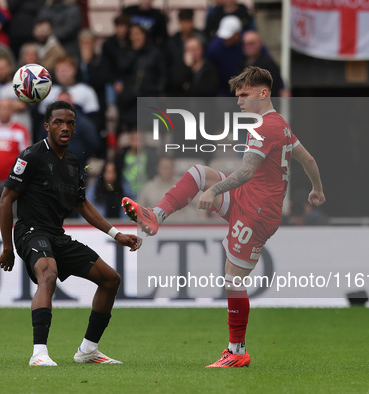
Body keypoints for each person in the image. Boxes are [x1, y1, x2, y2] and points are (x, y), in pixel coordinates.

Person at [122, 66, 325, 367]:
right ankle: (156, 215)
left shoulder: (263, 128)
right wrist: (317, 190)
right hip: (248, 200)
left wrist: (214, 191)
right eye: (237, 96)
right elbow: (308, 159)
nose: (239, 101)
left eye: (244, 95)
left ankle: (237, 352)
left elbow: (246, 171)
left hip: (258, 212)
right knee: (196, 172)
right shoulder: (280, 124)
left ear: (263, 93)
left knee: (233, 279)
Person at [0, 100, 141, 366]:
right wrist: (7, 247)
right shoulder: (31, 156)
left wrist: (115, 233)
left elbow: (81, 203)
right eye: (58, 122)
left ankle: (88, 350)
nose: (65, 127)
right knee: (48, 273)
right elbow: (6, 200)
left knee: (111, 280)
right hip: (30, 230)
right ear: (47, 126)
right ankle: (39, 354)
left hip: (56, 235)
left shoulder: (74, 162)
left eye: (70, 123)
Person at [238, 30, 289, 97]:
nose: (248, 47)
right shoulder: (240, 64)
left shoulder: (269, 65)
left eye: (251, 43)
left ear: (259, 44)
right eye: (245, 44)